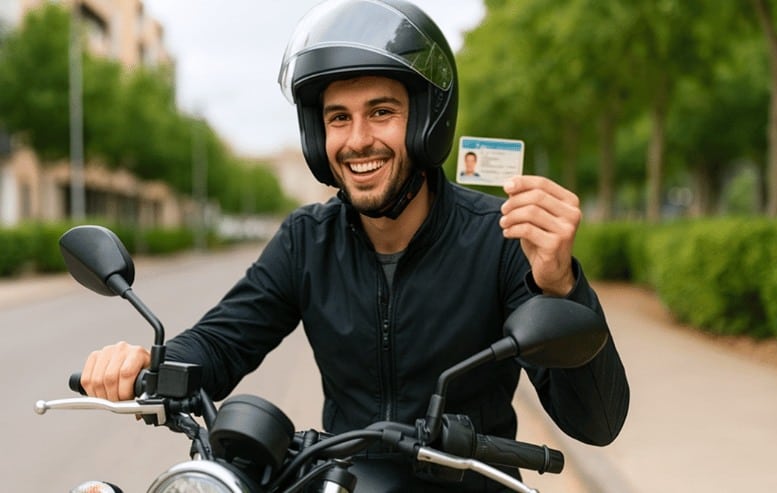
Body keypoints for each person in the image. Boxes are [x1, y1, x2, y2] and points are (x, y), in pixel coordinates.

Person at [79, 0, 629, 491]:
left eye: (382, 112)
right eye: (338, 118)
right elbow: (222, 342)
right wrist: (148, 362)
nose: (358, 139)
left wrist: (561, 286)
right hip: (344, 481)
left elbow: (596, 423)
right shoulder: (306, 240)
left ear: (425, 121)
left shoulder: (500, 237)